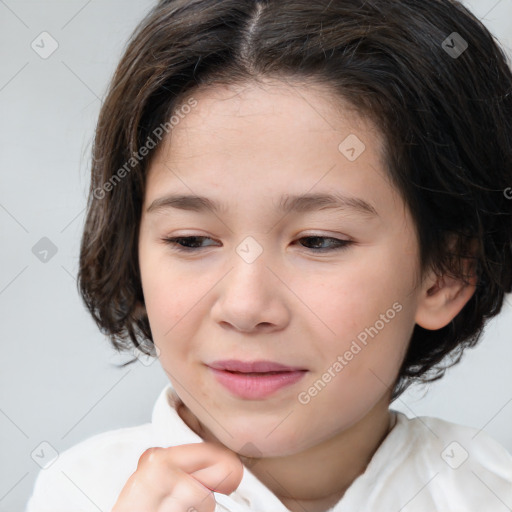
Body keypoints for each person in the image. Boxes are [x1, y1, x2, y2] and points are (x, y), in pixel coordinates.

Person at [26, 0, 512, 510]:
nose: (244, 306)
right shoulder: (81, 494)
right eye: (191, 240)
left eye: (318, 241)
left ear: (445, 275)